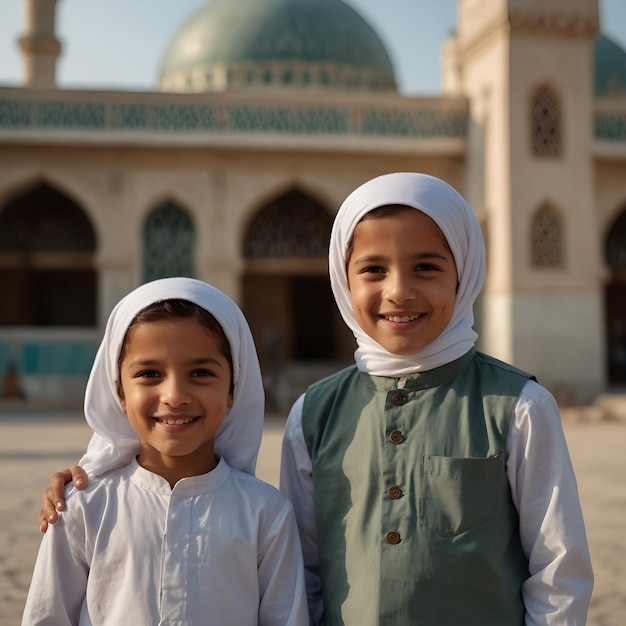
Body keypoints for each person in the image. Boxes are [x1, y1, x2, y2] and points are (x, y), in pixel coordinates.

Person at [40, 174, 594, 625]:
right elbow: (302, 576)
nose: (398, 290)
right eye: (373, 269)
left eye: (426, 266)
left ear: (465, 272)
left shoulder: (517, 405)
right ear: (342, 281)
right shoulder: (317, 413)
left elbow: (558, 571)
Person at [25, 277, 307, 625]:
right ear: (120, 393)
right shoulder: (83, 507)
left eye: (201, 372)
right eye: (149, 373)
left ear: (233, 388)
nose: (174, 396)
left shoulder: (267, 515)